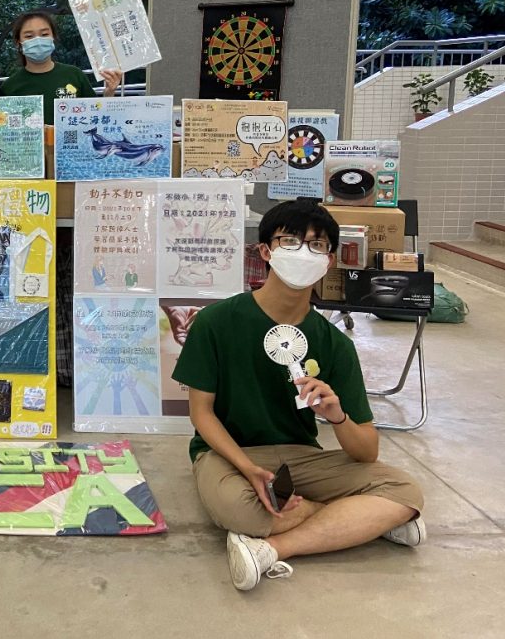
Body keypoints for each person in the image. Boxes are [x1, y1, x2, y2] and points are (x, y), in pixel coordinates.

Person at [171, 200, 425, 592]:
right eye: (290, 240)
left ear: (329, 261)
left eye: (317, 245)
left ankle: (272, 549)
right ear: (266, 251)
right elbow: (201, 415)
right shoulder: (216, 322)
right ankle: (362, 522)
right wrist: (249, 468)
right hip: (227, 453)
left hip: (300, 455)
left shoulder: (334, 344)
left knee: (404, 490)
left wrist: (337, 416)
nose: (304, 252)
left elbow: (367, 451)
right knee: (243, 508)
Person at [0, 10, 123, 124]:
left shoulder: (74, 75)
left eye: (44, 34)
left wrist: (109, 93)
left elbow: (96, 115)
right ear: (18, 42)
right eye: (29, 36)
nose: (38, 40)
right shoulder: (10, 87)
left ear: (53, 37)